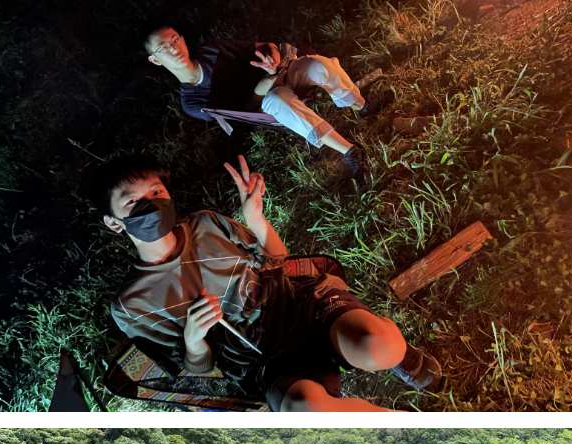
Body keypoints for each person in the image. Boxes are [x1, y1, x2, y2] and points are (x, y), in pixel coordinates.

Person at [91, 153, 441, 411]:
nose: (151, 205)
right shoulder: (132, 305)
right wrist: (194, 337)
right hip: (258, 360)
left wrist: (255, 219)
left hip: (300, 304)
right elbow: (196, 370)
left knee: (378, 345)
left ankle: (402, 357)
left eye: (155, 192)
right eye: (133, 202)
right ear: (114, 222)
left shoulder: (206, 224)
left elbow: (279, 261)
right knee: (306, 407)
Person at [143, 24, 389, 184]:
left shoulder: (213, 50)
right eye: (164, 47)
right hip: (268, 103)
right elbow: (247, 115)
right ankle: (351, 152)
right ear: (155, 59)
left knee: (318, 64)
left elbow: (265, 46)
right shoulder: (193, 102)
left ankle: (363, 107)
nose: (174, 48)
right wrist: (267, 82)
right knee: (276, 99)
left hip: (281, 74)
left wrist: (273, 60)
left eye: (175, 40)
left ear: (182, 39)